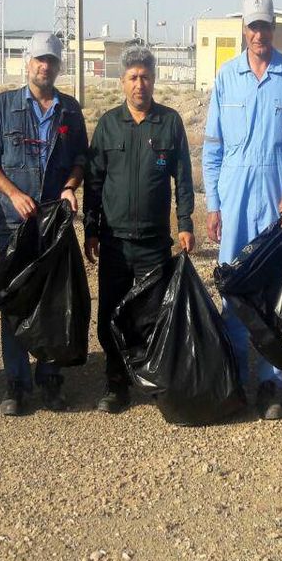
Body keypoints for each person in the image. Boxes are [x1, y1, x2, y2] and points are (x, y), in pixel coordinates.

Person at [202, 0, 282, 420]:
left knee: (271, 292)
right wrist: (213, 204)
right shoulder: (226, 77)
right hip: (234, 198)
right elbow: (213, 148)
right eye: (252, 25)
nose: (258, 33)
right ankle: (233, 379)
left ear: (273, 28)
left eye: (264, 25)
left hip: (275, 199)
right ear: (243, 29)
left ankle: (270, 382)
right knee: (232, 288)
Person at [0, 31, 87, 416]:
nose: (45, 66)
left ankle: (50, 378)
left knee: (53, 301)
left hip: (53, 226)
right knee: (15, 300)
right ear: (28, 62)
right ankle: (16, 382)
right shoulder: (4, 106)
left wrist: (71, 187)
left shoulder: (69, 111)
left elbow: (79, 160)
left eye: (52, 61)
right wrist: (12, 193)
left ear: (59, 66)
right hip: (14, 225)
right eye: (40, 59)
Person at [84, 45, 196, 413]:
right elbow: (94, 182)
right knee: (112, 316)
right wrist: (91, 229)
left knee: (152, 315)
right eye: (132, 77)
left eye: (145, 77)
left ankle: (153, 379)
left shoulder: (170, 122)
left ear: (154, 79)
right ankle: (116, 383)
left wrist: (184, 223)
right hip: (115, 242)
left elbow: (182, 178)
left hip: (153, 243)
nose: (139, 84)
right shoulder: (108, 124)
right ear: (122, 82)